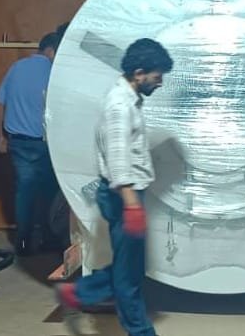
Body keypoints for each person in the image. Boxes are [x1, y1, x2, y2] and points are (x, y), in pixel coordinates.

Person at [56, 38, 173, 336]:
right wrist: (132, 206)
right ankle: (140, 331)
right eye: (157, 76)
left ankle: (82, 291)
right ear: (139, 73)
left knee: (129, 267)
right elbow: (118, 161)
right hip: (123, 196)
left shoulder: (129, 99)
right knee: (128, 275)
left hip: (126, 195)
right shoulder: (120, 106)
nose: (160, 83)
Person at [0, 31, 61, 256]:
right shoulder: (54, 72)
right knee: (49, 193)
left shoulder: (16, 68)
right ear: (51, 50)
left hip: (18, 143)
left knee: (24, 193)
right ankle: (48, 239)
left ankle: (23, 243)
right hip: (45, 144)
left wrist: (1, 136)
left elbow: (0, 103)